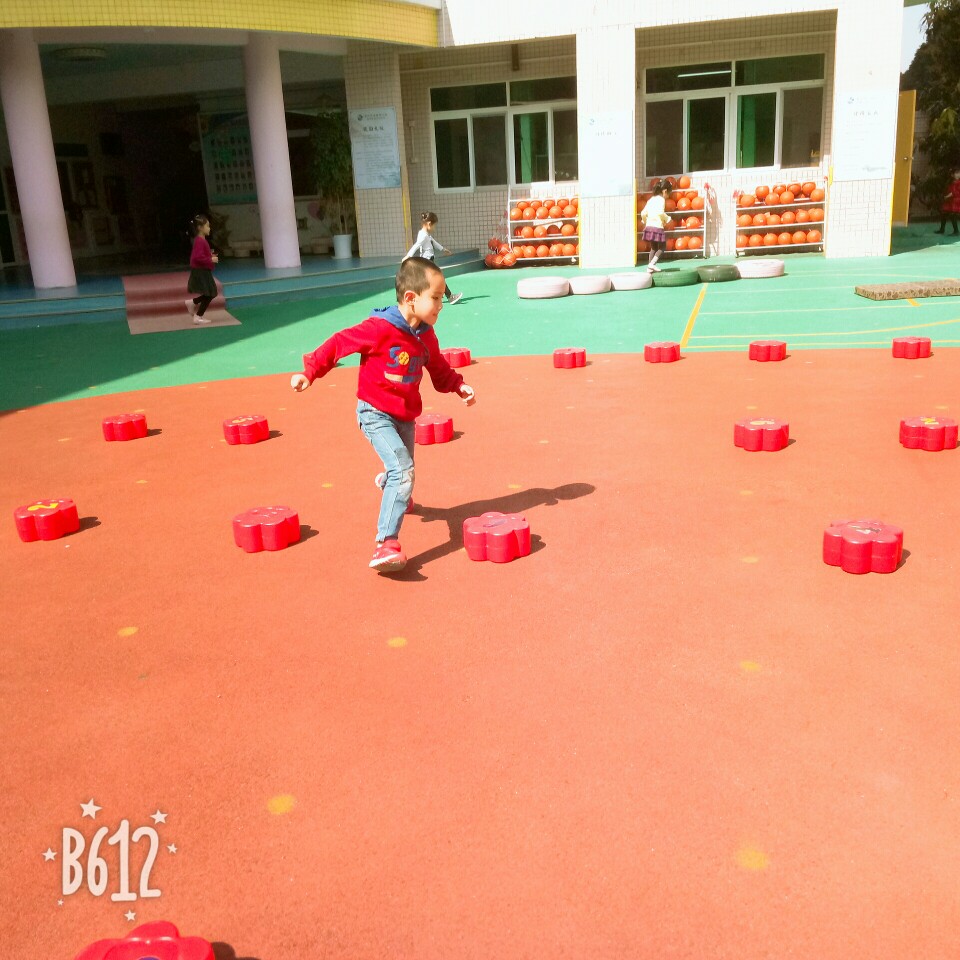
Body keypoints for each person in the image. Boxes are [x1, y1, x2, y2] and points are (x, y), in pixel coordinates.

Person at [290, 256, 476, 573]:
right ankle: (385, 544)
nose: (440, 305)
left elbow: (438, 368)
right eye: (435, 297)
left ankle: (393, 486)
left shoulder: (426, 335)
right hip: (374, 412)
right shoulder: (379, 328)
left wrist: (459, 386)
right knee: (403, 471)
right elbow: (339, 343)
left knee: (402, 473)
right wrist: (310, 372)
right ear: (411, 297)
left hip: (404, 415)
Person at [403, 212, 462, 304]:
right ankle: (450, 297)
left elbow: (434, 242)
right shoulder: (423, 235)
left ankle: (429, 296)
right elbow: (416, 245)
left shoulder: (425, 234)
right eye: (434, 226)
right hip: (427, 261)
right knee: (438, 278)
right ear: (429, 224)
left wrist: (443, 249)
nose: (434, 228)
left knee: (429, 280)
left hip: (428, 260)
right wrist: (408, 256)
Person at [185, 214, 219, 324]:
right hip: (201, 270)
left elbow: (200, 256)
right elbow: (197, 257)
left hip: (202, 269)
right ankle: (198, 315)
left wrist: (210, 257)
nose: (209, 228)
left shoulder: (201, 240)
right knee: (211, 292)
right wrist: (210, 259)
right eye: (207, 226)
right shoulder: (200, 241)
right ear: (200, 227)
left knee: (211, 292)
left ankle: (193, 303)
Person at [639, 181, 673, 272]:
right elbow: (660, 212)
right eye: (669, 193)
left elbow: (643, 213)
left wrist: (645, 221)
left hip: (649, 226)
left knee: (653, 248)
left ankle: (649, 268)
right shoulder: (661, 200)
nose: (668, 196)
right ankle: (652, 264)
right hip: (657, 227)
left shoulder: (651, 200)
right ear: (665, 191)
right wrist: (668, 219)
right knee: (662, 247)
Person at [935, 170, 960, 235]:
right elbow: (949, 191)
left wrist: (946, 197)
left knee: (953, 215)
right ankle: (942, 229)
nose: (958, 175)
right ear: (952, 175)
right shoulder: (952, 182)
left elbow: (954, 192)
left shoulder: (958, 183)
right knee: (944, 214)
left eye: (959, 173)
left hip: (955, 201)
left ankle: (956, 231)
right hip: (950, 201)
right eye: (956, 173)